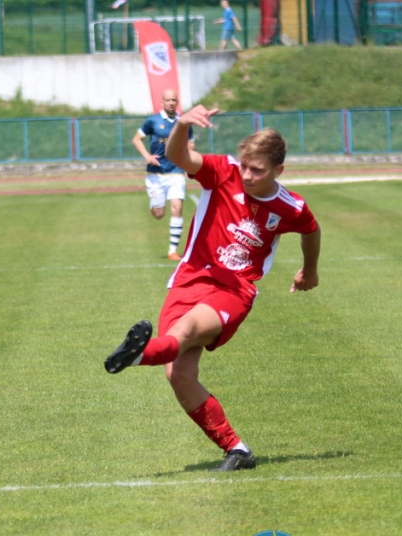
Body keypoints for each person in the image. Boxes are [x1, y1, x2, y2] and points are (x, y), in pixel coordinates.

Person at [104, 104, 321, 472]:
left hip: (234, 290)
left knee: (185, 331)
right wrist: (182, 125)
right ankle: (237, 450)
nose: (247, 175)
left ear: (279, 170)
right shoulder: (224, 171)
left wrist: (309, 271)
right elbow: (177, 156)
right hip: (189, 278)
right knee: (178, 375)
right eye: (245, 166)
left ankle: (136, 356)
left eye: (258, 170)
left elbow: (311, 230)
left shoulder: (290, 206)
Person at [132, 89, 194, 261]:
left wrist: (190, 148)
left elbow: (191, 144)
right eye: (168, 100)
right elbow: (136, 139)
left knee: (177, 207)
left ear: (177, 102)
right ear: (162, 102)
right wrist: (147, 156)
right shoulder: (153, 121)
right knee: (159, 214)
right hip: (156, 175)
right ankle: (154, 206)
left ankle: (173, 251)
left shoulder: (183, 123)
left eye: (174, 100)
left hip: (176, 172)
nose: (171, 103)